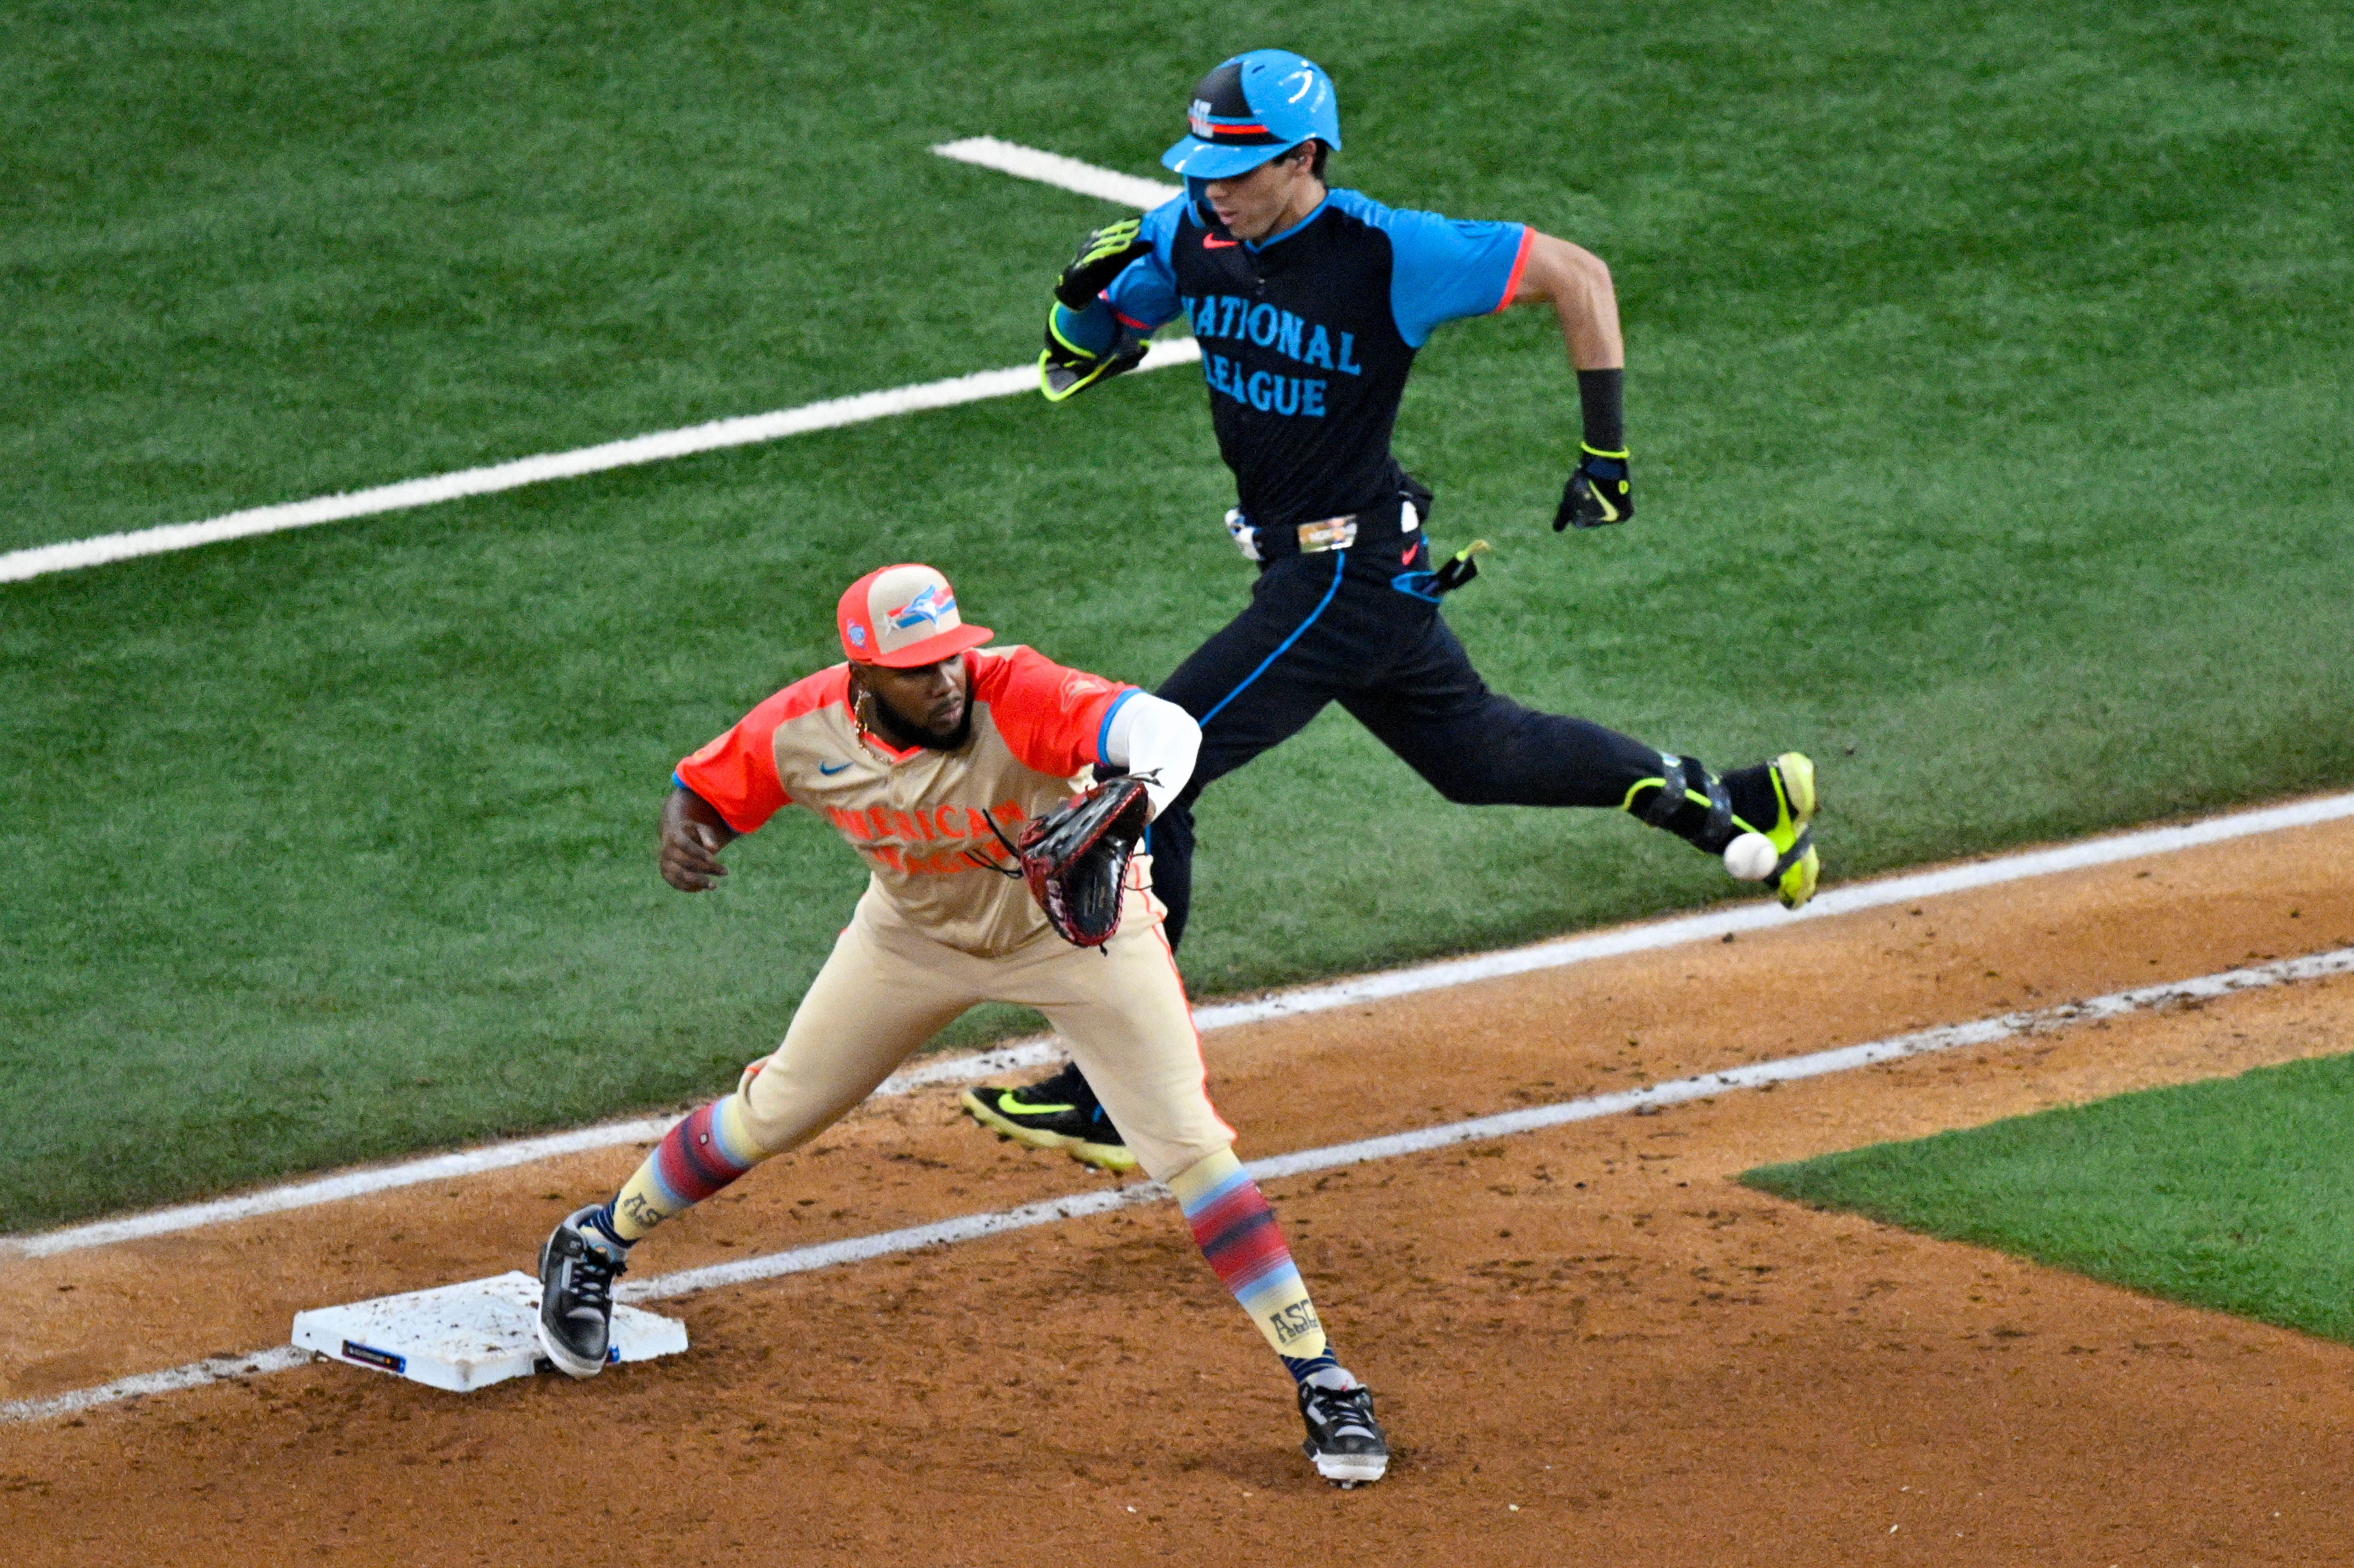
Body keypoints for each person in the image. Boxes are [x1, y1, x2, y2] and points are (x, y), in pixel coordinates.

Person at [964, 49, 1819, 1171]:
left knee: (1145, 773)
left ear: (1305, 157)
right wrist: (1078, 311)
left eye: (1240, 167)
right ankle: (1740, 798)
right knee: (1474, 752)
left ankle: (1121, 1093)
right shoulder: (1186, 234)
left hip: (1342, 576)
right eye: (1202, 167)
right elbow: (1077, 364)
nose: (1213, 187)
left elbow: (1582, 275)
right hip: (1327, 571)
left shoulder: (1390, 252)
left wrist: (1604, 452)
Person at [532, 562, 1389, 1486]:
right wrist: (684, 825)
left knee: (1188, 1145)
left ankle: (1324, 1378)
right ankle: (594, 1239)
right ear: (862, 677)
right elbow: (704, 787)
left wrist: (1142, 786)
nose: (946, 680)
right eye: (918, 668)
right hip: (911, 938)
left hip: (1072, 934)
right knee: (776, 1110)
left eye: (952, 656)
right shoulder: (805, 729)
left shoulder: (1016, 689)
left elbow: (1162, 727)